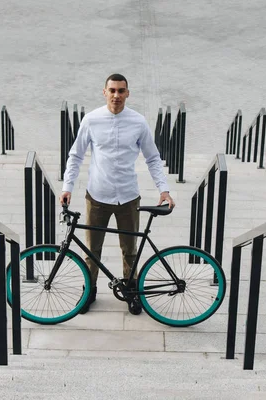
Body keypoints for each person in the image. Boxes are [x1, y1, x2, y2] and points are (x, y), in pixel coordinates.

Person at [59, 73, 175, 314]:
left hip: (128, 197)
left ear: (127, 93)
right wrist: (67, 187)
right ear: (104, 92)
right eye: (112, 90)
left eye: (121, 91)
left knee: (130, 250)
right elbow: (76, 155)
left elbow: (153, 158)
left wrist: (163, 189)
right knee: (91, 251)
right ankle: (89, 291)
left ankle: (132, 292)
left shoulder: (138, 122)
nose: (116, 95)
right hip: (97, 196)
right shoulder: (91, 120)